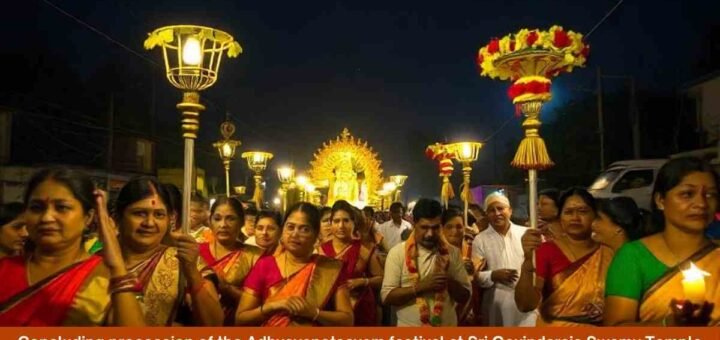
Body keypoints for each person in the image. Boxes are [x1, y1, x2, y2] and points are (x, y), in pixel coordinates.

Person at [0, 167, 145, 326]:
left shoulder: (105, 278)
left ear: (88, 217)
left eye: (62, 207)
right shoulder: (4, 268)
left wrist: (117, 266)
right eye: (37, 208)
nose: (47, 217)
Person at [604, 157, 720, 326]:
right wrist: (670, 324)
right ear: (660, 200)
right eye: (687, 194)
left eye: (710, 195)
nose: (701, 203)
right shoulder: (633, 256)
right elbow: (615, 330)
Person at [114, 177, 223, 326]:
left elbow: (214, 324)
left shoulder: (183, 260)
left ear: (169, 220)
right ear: (118, 216)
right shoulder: (96, 262)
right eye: (139, 213)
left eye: (159, 214)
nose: (149, 223)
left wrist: (191, 273)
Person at [236, 202, 353, 326]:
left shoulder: (330, 269)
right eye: (290, 227)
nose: (295, 234)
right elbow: (241, 319)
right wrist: (272, 306)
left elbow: (347, 320)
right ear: (282, 231)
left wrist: (314, 313)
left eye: (304, 229)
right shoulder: (264, 266)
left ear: (316, 235)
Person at [515, 187, 614, 326]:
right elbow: (525, 305)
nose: (575, 218)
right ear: (560, 217)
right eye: (568, 212)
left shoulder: (609, 253)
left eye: (583, 211)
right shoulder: (546, 251)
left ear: (594, 216)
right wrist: (527, 261)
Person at [381, 198, 471, 326]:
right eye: (424, 227)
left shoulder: (452, 253)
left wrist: (448, 282)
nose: (429, 234)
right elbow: (387, 297)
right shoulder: (397, 253)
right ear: (413, 223)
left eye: (435, 228)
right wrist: (421, 287)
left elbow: (465, 296)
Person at [472, 192, 536, 326]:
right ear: (486, 215)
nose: (497, 213)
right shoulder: (480, 240)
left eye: (500, 208)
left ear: (510, 211)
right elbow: (475, 275)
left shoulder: (526, 233)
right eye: (491, 210)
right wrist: (493, 275)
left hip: (526, 298)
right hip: (496, 302)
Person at [199, 197, 263, 325]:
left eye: (231, 218)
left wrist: (227, 289)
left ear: (241, 222)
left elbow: (261, 303)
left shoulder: (254, 256)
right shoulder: (196, 252)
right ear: (210, 222)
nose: (223, 225)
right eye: (217, 219)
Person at [318, 200, 383, 325]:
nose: (341, 226)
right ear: (331, 224)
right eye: (336, 221)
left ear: (354, 223)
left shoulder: (364, 250)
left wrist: (363, 282)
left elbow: (381, 278)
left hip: (361, 308)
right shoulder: (320, 250)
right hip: (329, 310)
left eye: (346, 221)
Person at [441, 208, 485, 326]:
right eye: (449, 227)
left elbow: (480, 277)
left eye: (459, 226)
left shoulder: (472, 248)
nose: (455, 231)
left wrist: (473, 271)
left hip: (472, 310)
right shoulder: (437, 252)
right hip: (444, 312)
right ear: (442, 229)